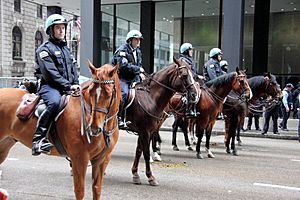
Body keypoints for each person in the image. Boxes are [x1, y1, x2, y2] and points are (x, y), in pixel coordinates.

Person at [33, 14, 79, 156]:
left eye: (63, 28)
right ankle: (38, 140)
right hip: (50, 86)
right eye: (58, 28)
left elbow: (73, 69)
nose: (61, 31)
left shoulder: (66, 49)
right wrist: (68, 86)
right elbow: (50, 73)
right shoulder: (44, 50)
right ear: (50, 31)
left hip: (67, 86)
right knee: (54, 103)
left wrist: (76, 84)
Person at [112, 30, 145, 128]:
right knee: (124, 94)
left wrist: (140, 73)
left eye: (139, 39)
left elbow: (139, 64)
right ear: (130, 40)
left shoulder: (138, 51)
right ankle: (119, 118)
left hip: (133, 78)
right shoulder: (122, 50)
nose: (138, 41)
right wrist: (138, 69)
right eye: (136, 39)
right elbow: (123, 66)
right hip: (121, 78)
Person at [178, 42, 199, 117]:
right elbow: (187, 72)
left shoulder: (189, 59)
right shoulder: (183, 60)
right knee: (191, 91)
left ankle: (197, 108)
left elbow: (193, 71)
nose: (192, 51)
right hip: (185, 81)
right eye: (190, 50)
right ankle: (189, 109)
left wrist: (198, 76)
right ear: (186, 51)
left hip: (192, 79)